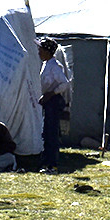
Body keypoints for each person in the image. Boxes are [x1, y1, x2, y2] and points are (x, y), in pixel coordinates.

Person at [37, 38, 70, 174]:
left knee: (51, 133)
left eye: (41, 49)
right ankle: (47, 163)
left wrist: (51, 94)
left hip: (53, 102)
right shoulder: (47, 64)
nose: (39, 51)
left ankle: (52, 165)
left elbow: (64, 83)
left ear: (47, 51)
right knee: (47, 132)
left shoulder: (54, 66)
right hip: (49, 101)